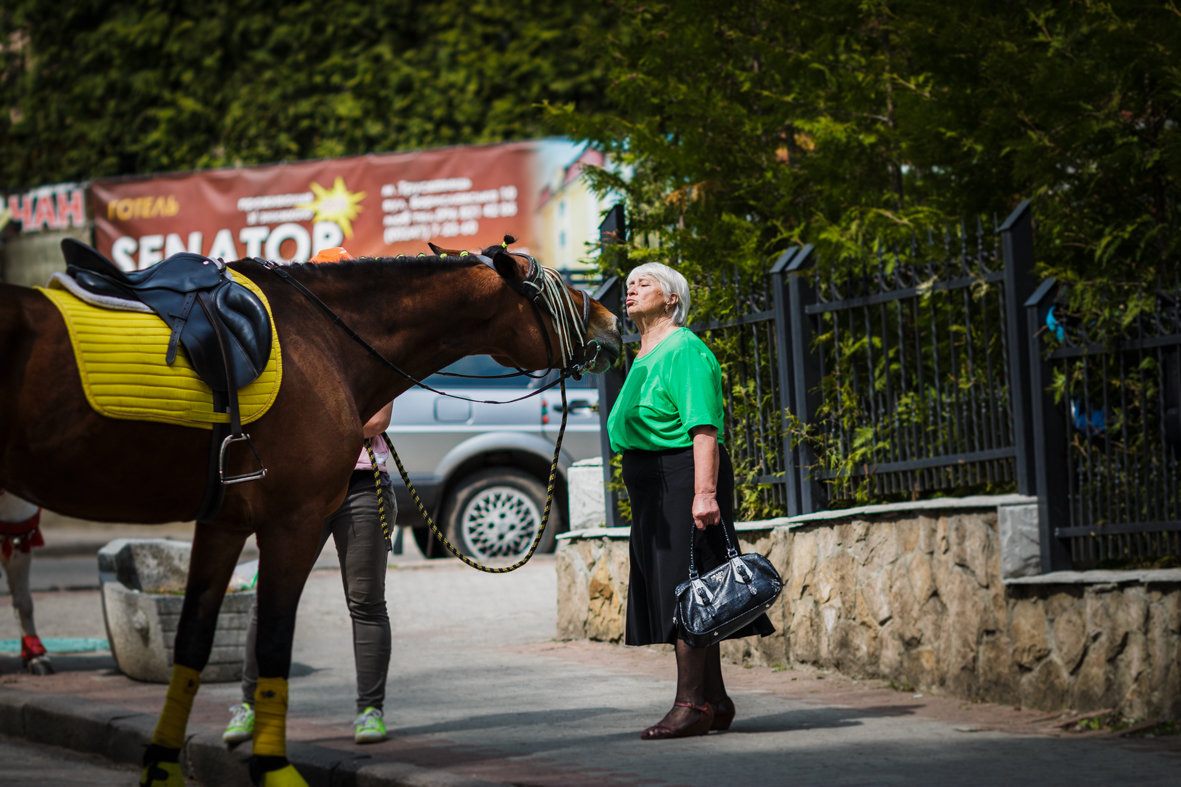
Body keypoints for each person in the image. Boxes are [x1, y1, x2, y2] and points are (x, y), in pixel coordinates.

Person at [224, 247, 396, 746]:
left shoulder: (375, 345)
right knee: (271, 599)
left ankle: (370, 711)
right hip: (297, 487)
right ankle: (248, 705)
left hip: (362, 482)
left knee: (365, 602)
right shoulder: (291, 345)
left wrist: (311, 425)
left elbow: (374, 421)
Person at [606, 262, 774, 740]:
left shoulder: (683, 348)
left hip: (683, 478)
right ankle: (715, 701)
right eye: (630, 283)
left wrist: (704, 493)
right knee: (695, 591)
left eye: (646, 282)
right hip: (652, 486)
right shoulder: (641, 353)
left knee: (686, 589)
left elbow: (703, 427)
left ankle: (690, 705)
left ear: (673, 299)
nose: (632, 288)